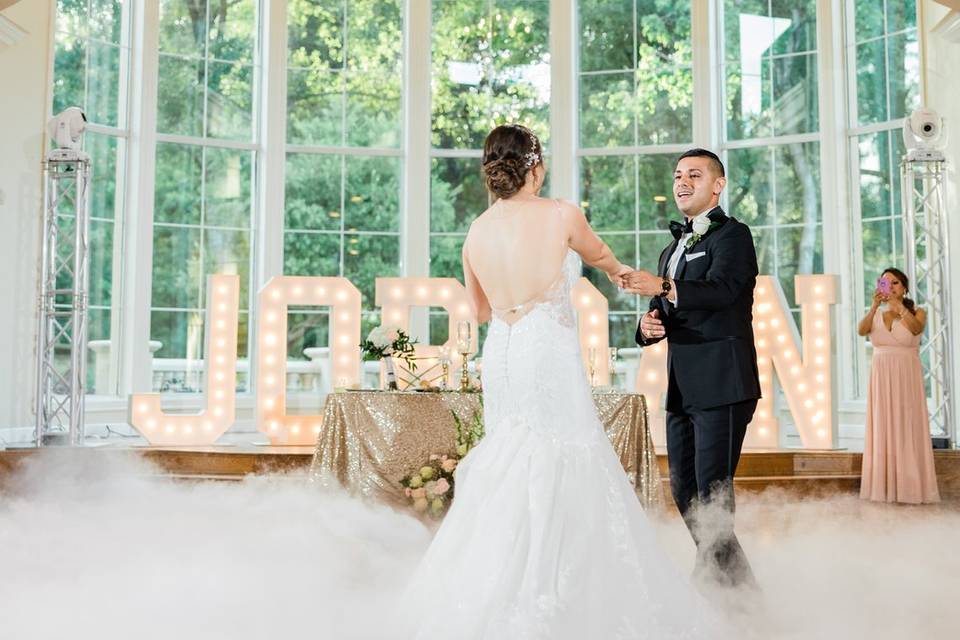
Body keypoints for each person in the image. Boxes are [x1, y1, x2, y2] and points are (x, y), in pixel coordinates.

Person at [396, 125, 726, 638]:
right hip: (544, 350)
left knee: (511, 454)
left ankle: (489, 587)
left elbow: (481, 311)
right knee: (562, 452)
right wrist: (626, 276)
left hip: (503, 354)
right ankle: (558, 594)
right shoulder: (560, 214)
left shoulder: (476, 231)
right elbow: (607, 263)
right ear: (536, 166)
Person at [623, 148, 760, 589]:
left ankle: (718, 594)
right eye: (679, 175)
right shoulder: (672, 247)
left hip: (724, 382)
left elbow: (723, 290)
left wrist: (665, 285)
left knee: (713, 497)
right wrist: (647, 326)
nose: (682, 182)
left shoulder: (734, 236)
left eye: (694, 175)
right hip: (682, 388)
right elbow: (662, 306)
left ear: (717, 185)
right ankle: (738, 592)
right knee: (685, 493)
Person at [857, 268, 940, 504]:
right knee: (882, 424)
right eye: (885, 283)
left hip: (906, 376)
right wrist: (874, 306)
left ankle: (910, 487)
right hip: (882, 376)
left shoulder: (917, 312)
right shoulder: (876, 314)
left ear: (904, 286)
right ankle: (883, 487)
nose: (890, 287)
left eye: (895, 283)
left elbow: (916, 329)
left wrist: (898, 306)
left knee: (907, 426)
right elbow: (861, 331)